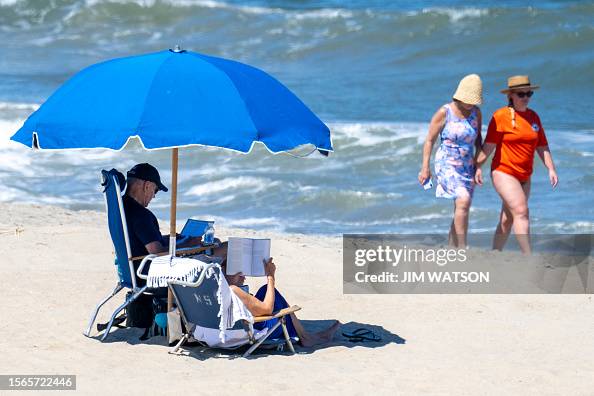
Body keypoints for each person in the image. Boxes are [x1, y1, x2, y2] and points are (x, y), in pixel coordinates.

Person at [475, 76, 558, 254]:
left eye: (529, 93)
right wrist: (477, 167)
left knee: (508, 218)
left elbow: (542, 146)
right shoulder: (501, 116)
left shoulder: (534, 117)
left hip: (525, 175)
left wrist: (551, 168)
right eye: (521, 94)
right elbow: (488, 147)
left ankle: (494, 253)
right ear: (511, 95)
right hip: (503, 171)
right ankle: (528, 257)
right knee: (521, 210)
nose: (526, 97)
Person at [123, 163, 215, 285]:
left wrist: (173, 239)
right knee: (220, 249)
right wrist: (188, 244)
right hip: (150, 273)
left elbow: (141, 241)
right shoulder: (141, 215)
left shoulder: (123, 207)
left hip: (133, 269)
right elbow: (157, 252)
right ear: (147, 186)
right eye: (155, 190)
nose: (154, 196)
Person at [419, 74, 483, 247]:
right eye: (468, 99)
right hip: (447, 164)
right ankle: (463, 249)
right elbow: (429, 140)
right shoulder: (444, 112)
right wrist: (425, 168)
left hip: (467, 165)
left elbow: (478, 140)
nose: (471, 104)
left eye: (474, 100)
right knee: (463, 201)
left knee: (461, 209)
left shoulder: (476, 113)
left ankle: (450, 248)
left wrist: (478, 165)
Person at [224, 258, 341, 347]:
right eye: (239, 273)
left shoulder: (213, 287)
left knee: (264, 291)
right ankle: (306, 337)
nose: (243, 277)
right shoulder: (233, 290)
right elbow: (267, 309)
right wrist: (270, 276)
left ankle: (305, 335)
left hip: (229, 330)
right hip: (255, 330)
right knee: (271, 293)